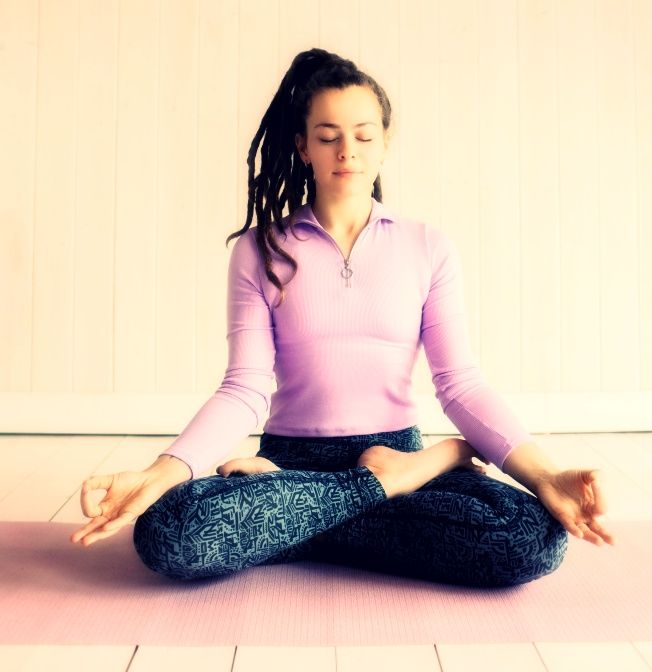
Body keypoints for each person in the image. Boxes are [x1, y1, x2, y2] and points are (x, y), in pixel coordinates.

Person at [70, 48, 614, 588]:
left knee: (532, 537)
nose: (346, 150)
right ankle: (389, 482)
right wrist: (158, 474)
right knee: (167, 531)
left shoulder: (428, 247)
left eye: (363, 134)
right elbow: (245, 387)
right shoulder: (261, 249)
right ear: (303, 146)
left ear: (385, 145)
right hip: (299, 458)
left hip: (391, 453)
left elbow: (459, 383)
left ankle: (295, 517)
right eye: (328, 136)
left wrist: (543, 474)